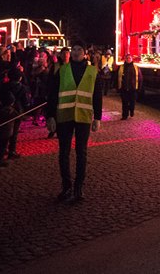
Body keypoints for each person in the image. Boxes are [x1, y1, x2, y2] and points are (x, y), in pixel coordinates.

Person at [45, 41, 102, 203]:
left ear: (85, 53)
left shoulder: (92, 72)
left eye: (79, 50)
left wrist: (97, 117)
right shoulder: (61, 70)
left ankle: (78, 188)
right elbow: (52, 94)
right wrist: (50, 116)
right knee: (64, 153)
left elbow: (97, 96)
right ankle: (66, 187)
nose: (76, 52)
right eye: (74, 49)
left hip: (83, 117)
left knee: (81, 153)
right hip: (64, 116)